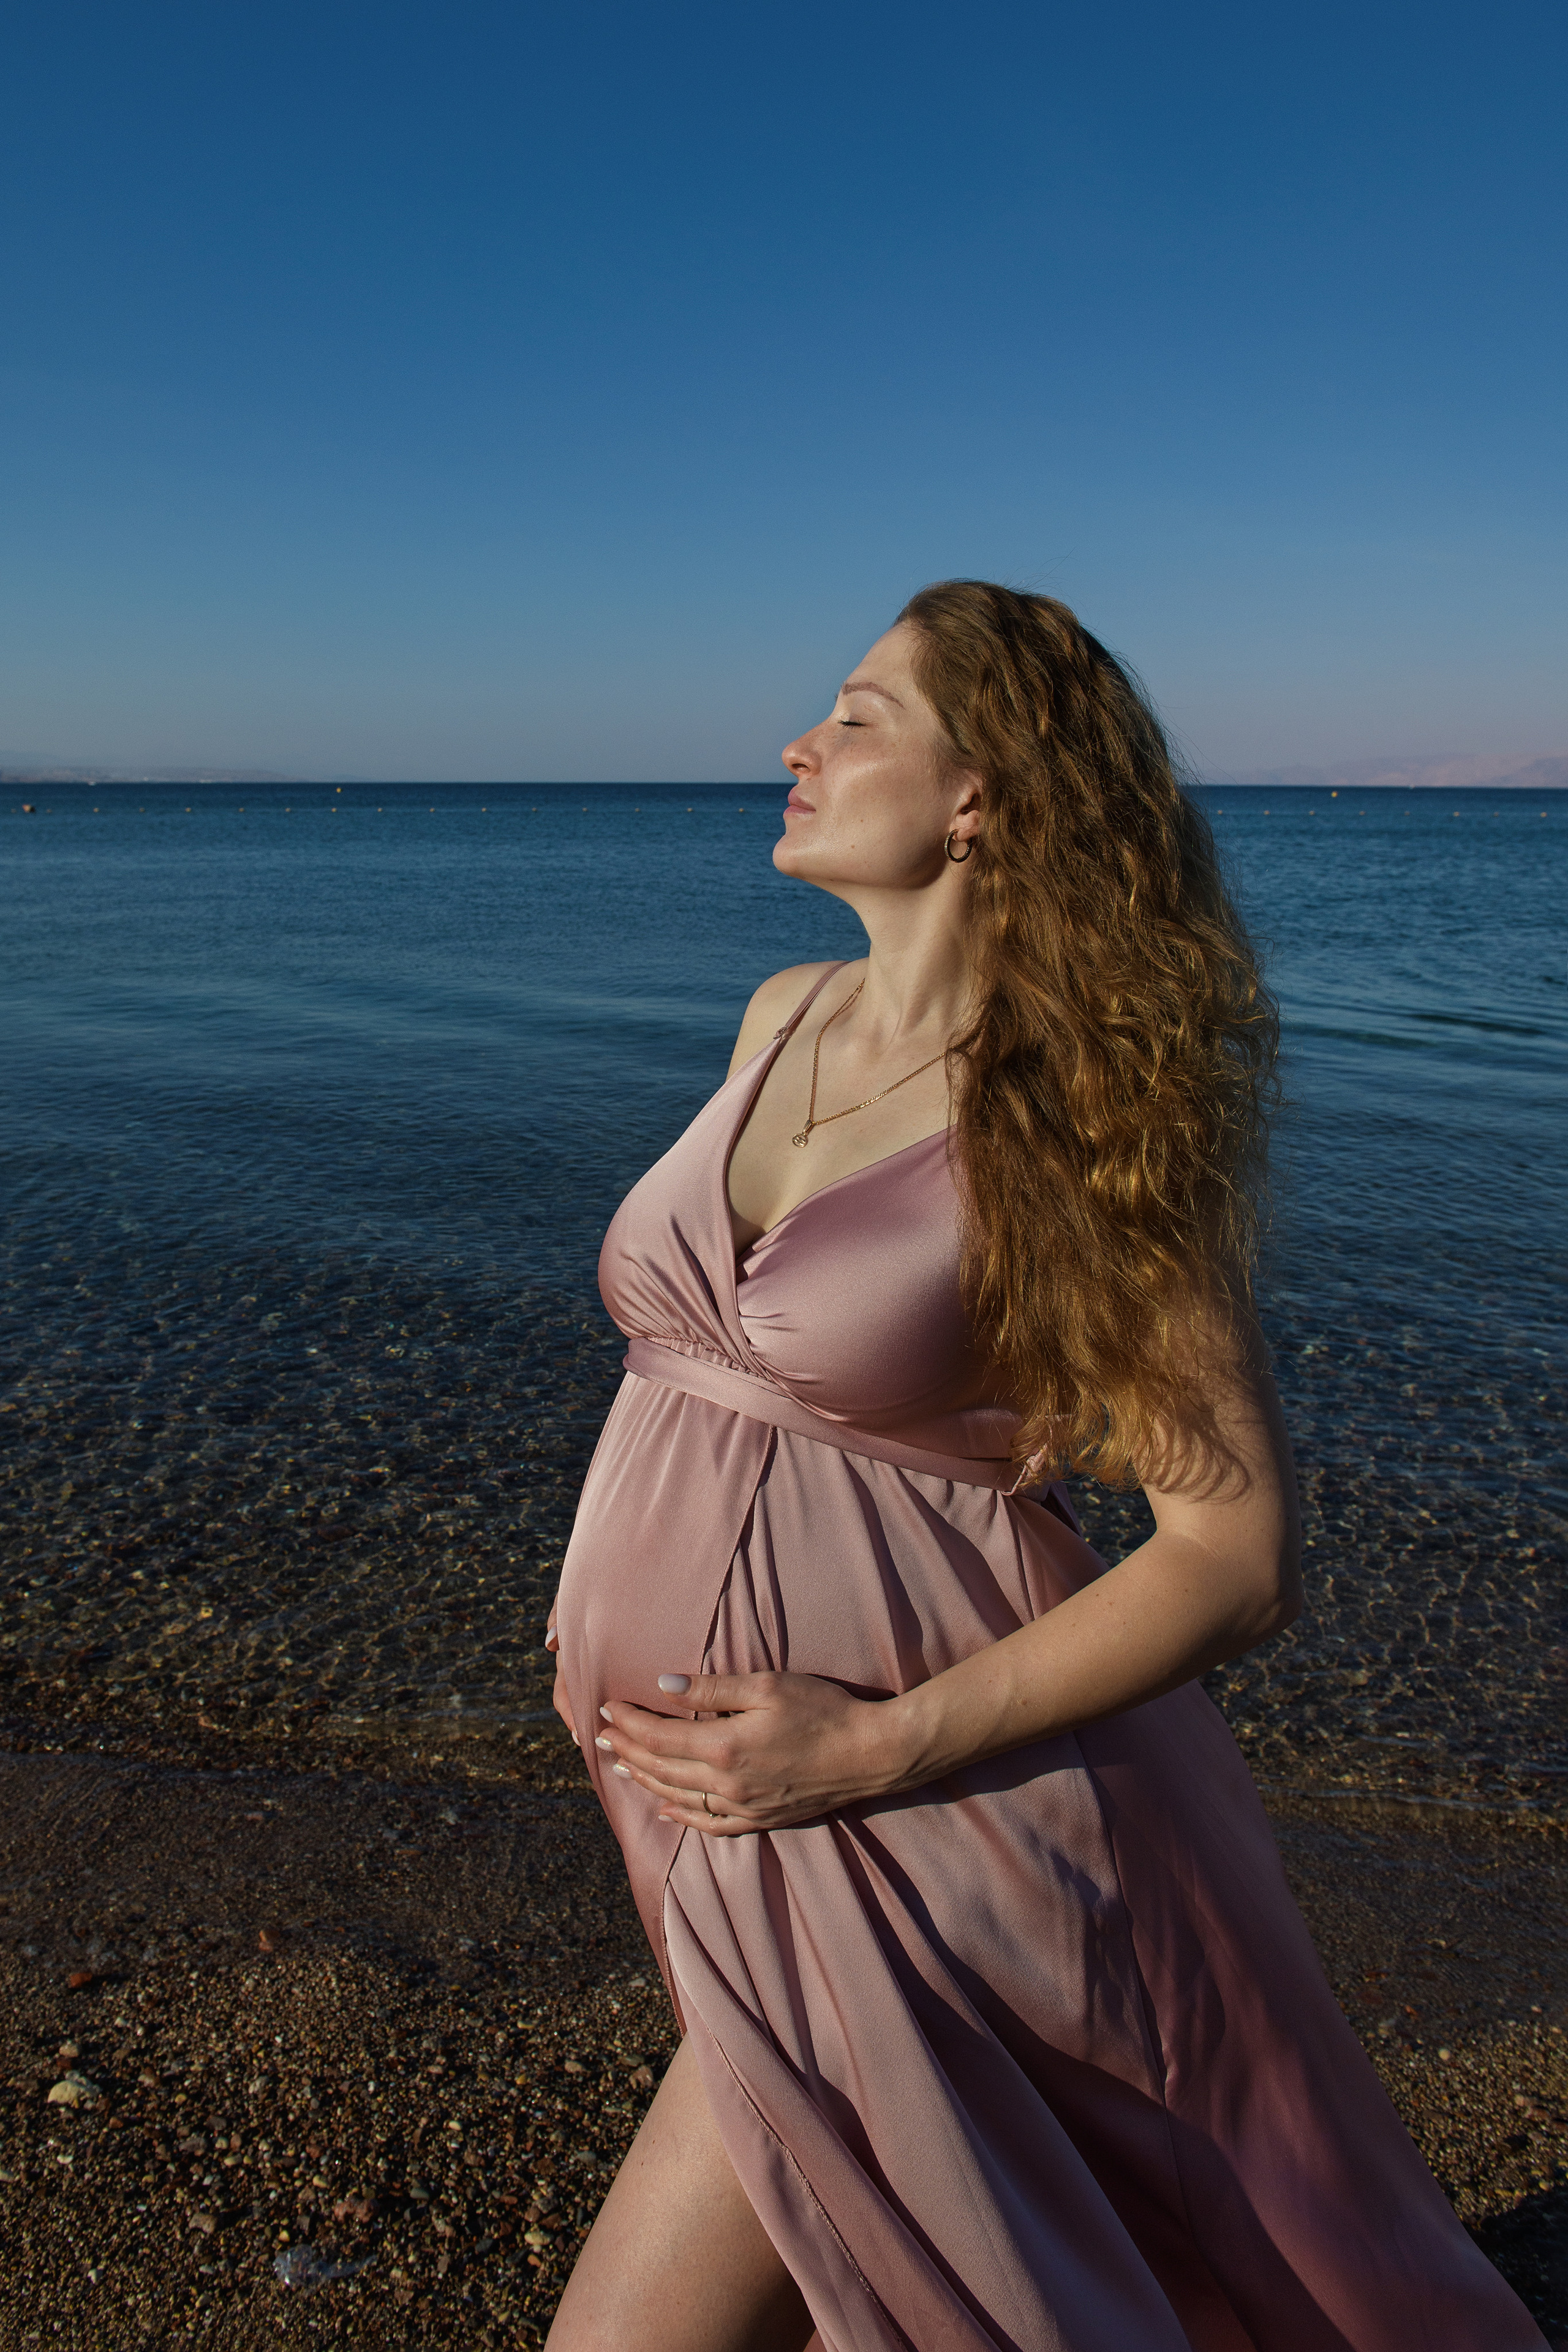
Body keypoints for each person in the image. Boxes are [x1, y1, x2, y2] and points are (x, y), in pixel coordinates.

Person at [543, 582, 1546, 2351]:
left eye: (858, 714)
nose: (800, 741)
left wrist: (871, 1743)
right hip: (728, 1796)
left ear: (982, 793)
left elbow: (1231, 1552)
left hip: (904, 1812)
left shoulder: (1066, 1100)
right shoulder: (777, 1015)